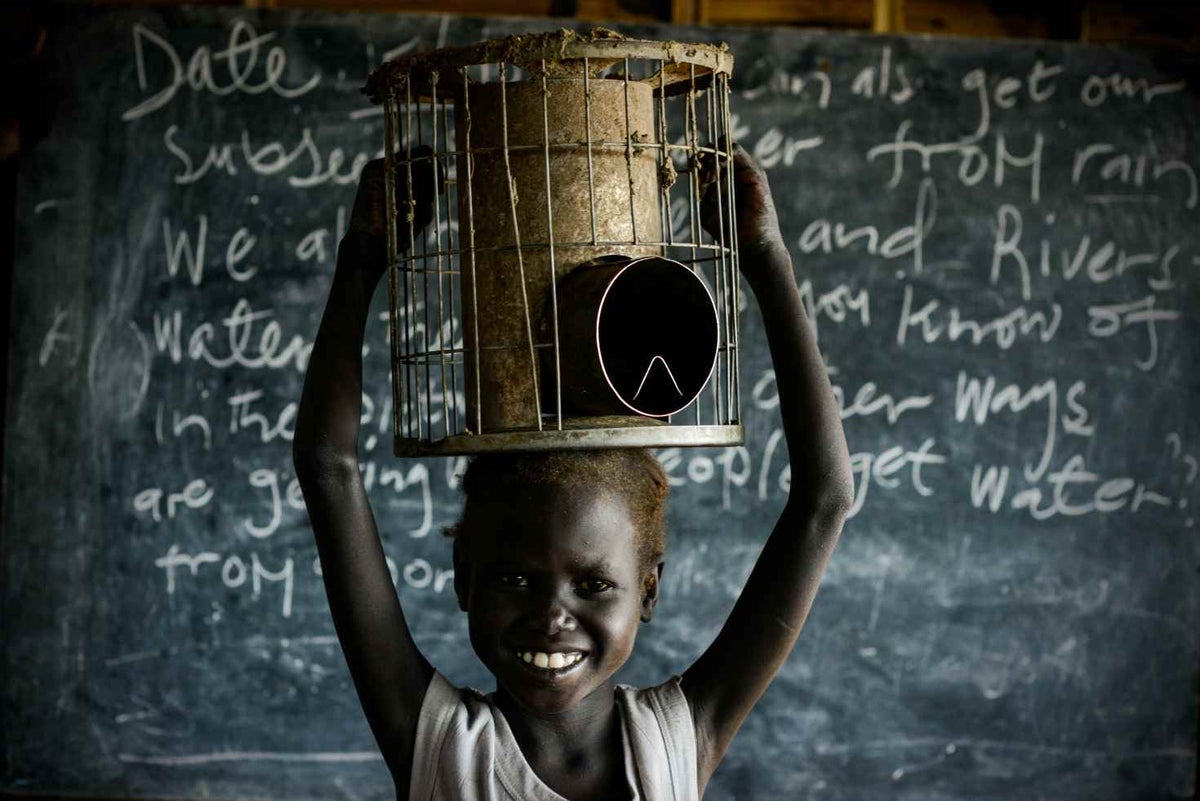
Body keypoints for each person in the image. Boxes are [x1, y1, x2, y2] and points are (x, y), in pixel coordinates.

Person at [293, 142, 854, 799]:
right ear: (462, 579)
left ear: (648, 590)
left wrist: (765, 254)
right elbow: (327, 466)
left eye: (593, 583)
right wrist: (361, 258)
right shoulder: (442, 744)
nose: (551, 614)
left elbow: (827, 499)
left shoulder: (679, 737)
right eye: (514, 577)